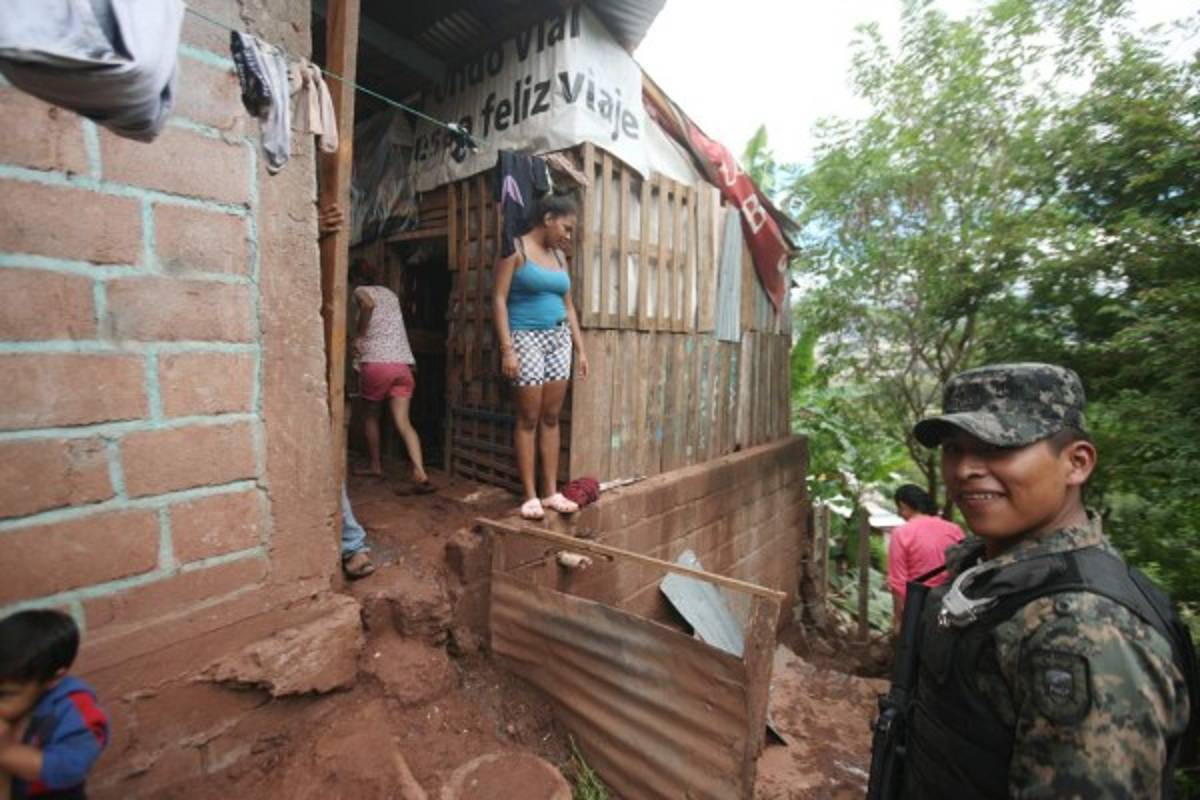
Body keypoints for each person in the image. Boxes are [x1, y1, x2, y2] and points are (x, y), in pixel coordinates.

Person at [881, 362, 1192, 798]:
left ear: (1076, 463)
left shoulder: (1086, 629)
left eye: (997, 447)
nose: (966, 468)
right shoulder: (985, 571)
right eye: (954, 447)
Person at [492, 194, 589, 520]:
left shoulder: (561, 259)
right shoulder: (515, 251)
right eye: (566, 227)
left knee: (551, 417)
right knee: (529, 418)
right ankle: (529, 495)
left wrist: (580, 348)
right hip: (525, 339)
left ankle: (550, 493)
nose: (568, 235)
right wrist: (508, 349)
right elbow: (499, 299)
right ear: (548, 218)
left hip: (558, 338)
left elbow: (568, 306)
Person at [0, 610, 109, 799]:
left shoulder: (74, 710)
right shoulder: (17, 695)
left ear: (53, 678)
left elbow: (71, 769)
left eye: (4, 695)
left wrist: (7, 752)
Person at [350, 259, 431, 491]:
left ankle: (375, 465)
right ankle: (420, 471)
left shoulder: (360, 291)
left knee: (371, 416)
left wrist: (360, 335)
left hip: (376, 363)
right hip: (402, 366)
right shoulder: (391, 294)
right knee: (404, 422)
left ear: (355, 278)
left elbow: (366, 305)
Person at [886, 484, 964, 631]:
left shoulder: (902, 533)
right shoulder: (954, 530)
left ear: (903, 505)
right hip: (952, 607)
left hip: (918, 608)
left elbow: (898, 583)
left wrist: (898, 619)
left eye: (899, 508)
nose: (899, 513)